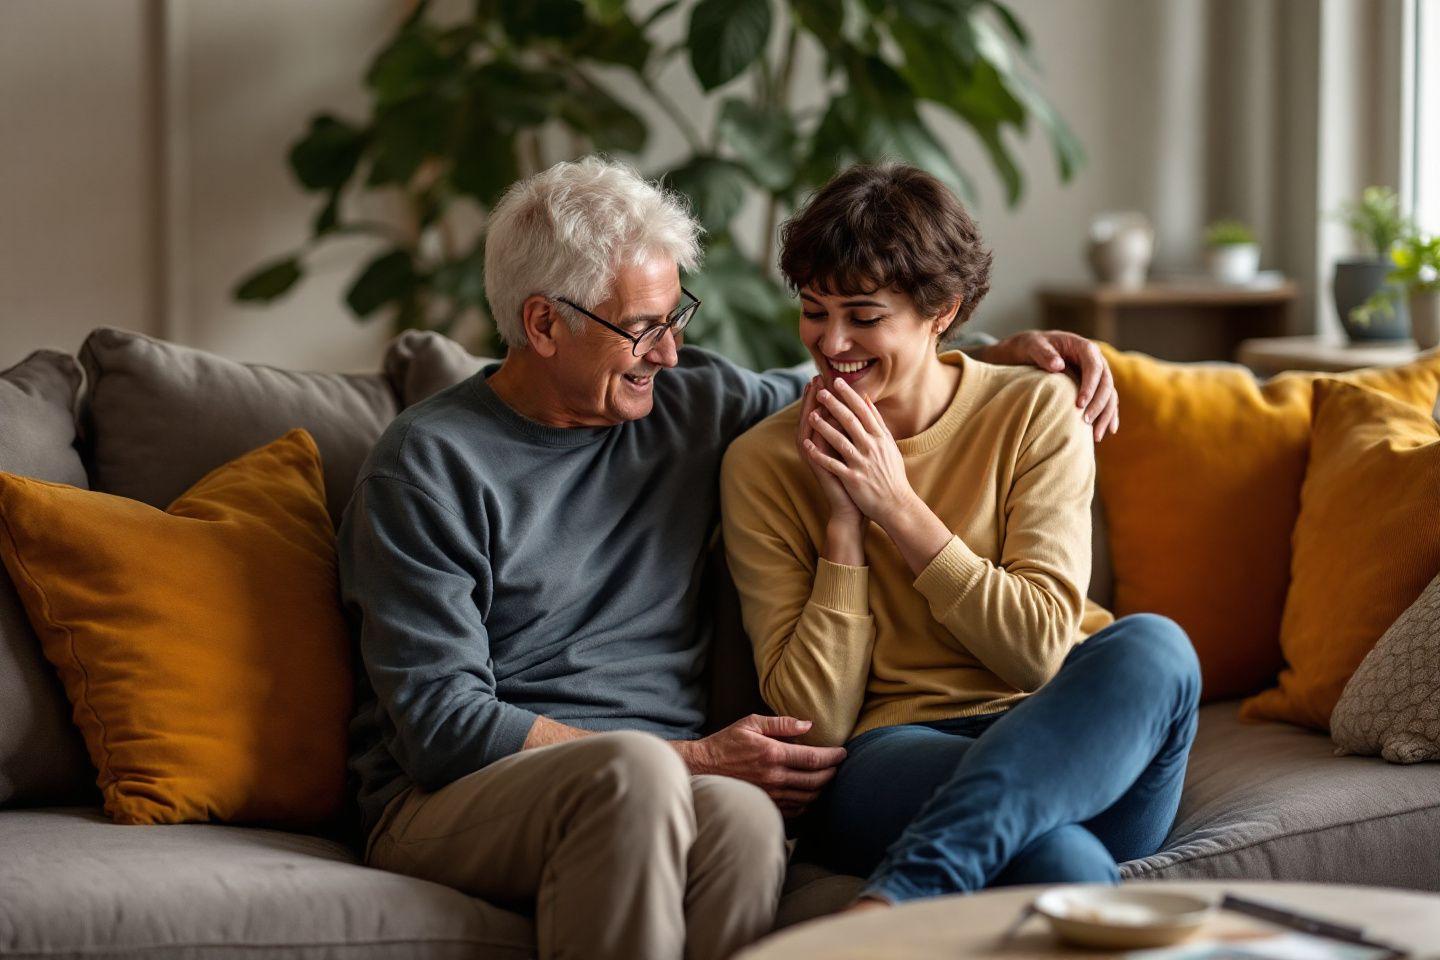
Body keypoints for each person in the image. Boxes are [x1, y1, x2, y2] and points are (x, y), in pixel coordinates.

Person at [338, 156, 1121, 960]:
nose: (670, 353)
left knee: (746, 820)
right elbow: (442, 725)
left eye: (676, 317)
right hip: (455, 797)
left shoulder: (687, 405)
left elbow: (859, 367)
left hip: (662, 784)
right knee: (639, 778)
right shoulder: (426, 468)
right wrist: (697, 757)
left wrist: (1005, 351)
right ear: (543, 325)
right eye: (643, 328)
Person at [720, 163, 1199, 909]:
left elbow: (1040, 652)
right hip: (897, 753)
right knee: (1062, 862)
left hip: (1073, 736)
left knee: (1157, 649)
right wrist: (843, 527)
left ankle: (896, 899)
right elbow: (815, 726)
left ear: (942, 310)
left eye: (864, 315)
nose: (831, 340)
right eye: (814, 311)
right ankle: (929, 879)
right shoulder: (763, 463)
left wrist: (896, 507)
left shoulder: (1035, 409)